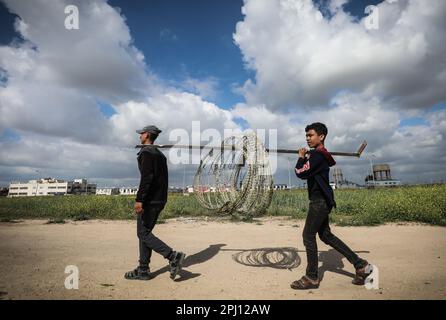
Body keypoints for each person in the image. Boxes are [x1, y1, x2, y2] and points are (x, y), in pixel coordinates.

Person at [291, 122, 371, 290]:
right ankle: (360, 265)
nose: (307, 138)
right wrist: (306, 156)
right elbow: (309, 169)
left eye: (310, 135)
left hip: (319, 202)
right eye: (306, 136)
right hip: (323, 201)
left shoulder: (318, 156)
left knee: (308, 236)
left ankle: (312, 277)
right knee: (326, 236)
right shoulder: (318, 155)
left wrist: (300, 158)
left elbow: (301, 173)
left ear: (322, 136)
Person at [125, 125, 185, 281]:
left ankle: (172, 256)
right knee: (144, 234)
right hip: (159, 199)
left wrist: (139, 199)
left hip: (149, 201)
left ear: (146, 135)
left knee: (142, 233)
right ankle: (143, 270)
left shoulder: (147, 152)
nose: (139, 136)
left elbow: (147, 178)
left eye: (141, 134)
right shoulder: (159, 154)